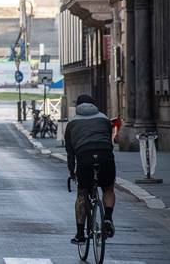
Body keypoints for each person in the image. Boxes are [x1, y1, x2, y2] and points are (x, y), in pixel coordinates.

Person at [65, 94, 116, 244]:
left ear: (77, 107)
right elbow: (109, 141)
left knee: (82, 194)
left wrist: (72, 171)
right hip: (105, 156)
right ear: (94, 105)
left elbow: (70, 152)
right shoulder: (104, 119)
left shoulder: (72, 123)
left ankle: (80, 234)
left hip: (84, 158)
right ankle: (107, 217)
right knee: (108, 188)